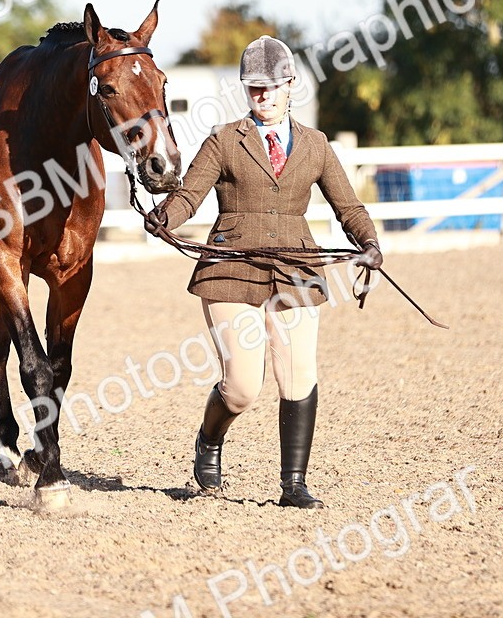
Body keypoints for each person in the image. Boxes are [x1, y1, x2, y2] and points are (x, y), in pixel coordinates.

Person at [145, 36, 382, 509]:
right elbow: (190, 195)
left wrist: (370, 243)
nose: (264, 96)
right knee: (243, 386)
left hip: (296, 265)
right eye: (255, 88)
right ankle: (210, 439)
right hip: (232, 265)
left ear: (291, 85)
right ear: (245, 90)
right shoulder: (223, 140)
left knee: (298, 374)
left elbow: (347, 205)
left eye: (272, 87)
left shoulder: (315, 145)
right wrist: (163, 218)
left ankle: (293, 485)